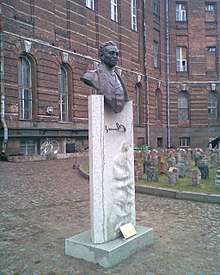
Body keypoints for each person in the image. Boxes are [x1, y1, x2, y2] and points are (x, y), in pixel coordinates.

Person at [81, 41, 128, 113]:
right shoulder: (91, 76)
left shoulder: (120, 79)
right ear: (102, 56)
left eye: (117, 54)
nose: (115, 56)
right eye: (111, 53)